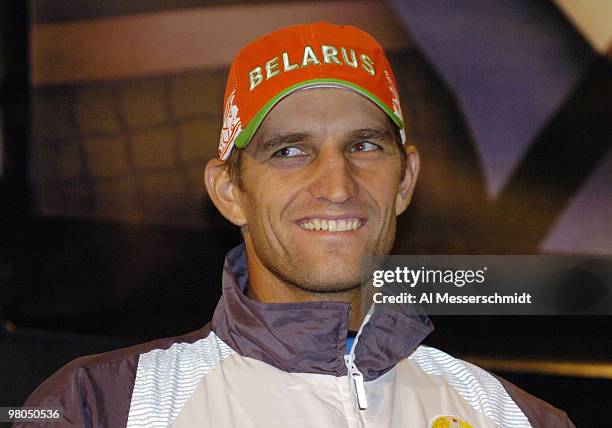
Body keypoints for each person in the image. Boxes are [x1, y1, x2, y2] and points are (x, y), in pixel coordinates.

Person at [17, 22, 573, 428]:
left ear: (405, 182)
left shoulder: (516, 417)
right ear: (229, 191)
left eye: (364, 145)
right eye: (288, 151)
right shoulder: (98, 405)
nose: (337, 184)